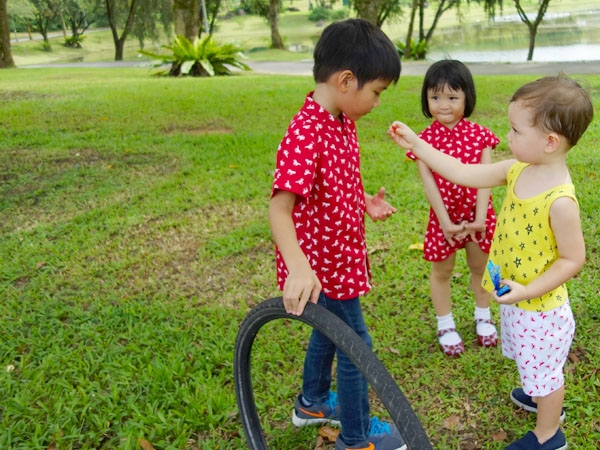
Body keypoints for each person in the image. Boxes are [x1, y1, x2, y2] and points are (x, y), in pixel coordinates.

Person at [388, 74, 593, 450]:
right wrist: (418, 144)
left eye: (515, 130)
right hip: (514, 296)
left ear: (549, 142)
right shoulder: (515, 170)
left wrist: (529, 290)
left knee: (545, 370)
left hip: (540, 307)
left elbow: (572, 259)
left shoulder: (561, 201)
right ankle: (539, 398)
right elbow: (462, 172)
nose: (507, 137)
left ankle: (550, 435)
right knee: (528, 360)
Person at [269, 18, 407, 450]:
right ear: (347, 80)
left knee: (329, 331)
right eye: (377, 91)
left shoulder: (340, 120)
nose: (378, 102)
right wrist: (298, 269)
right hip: (320, 265)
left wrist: (363, 199)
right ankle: (356, 437)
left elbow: (326, 182)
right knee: (355, 344)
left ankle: (312, 402)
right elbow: (279, 208)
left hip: (340, 258)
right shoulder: (306, 131)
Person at [406, 60, 500, 356]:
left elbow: (486, 179)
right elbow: (429, 184)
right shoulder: (423, 141)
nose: (443, 105)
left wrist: (481, 218)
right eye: (435, 97)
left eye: (452, 97)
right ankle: (445, 323)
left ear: (466, 98)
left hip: (478, 215)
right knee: (442, 270)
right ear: (426, 100)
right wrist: (445, 222)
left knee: (480, 267)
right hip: (443, 218)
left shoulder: (481, 135)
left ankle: (483, 316)